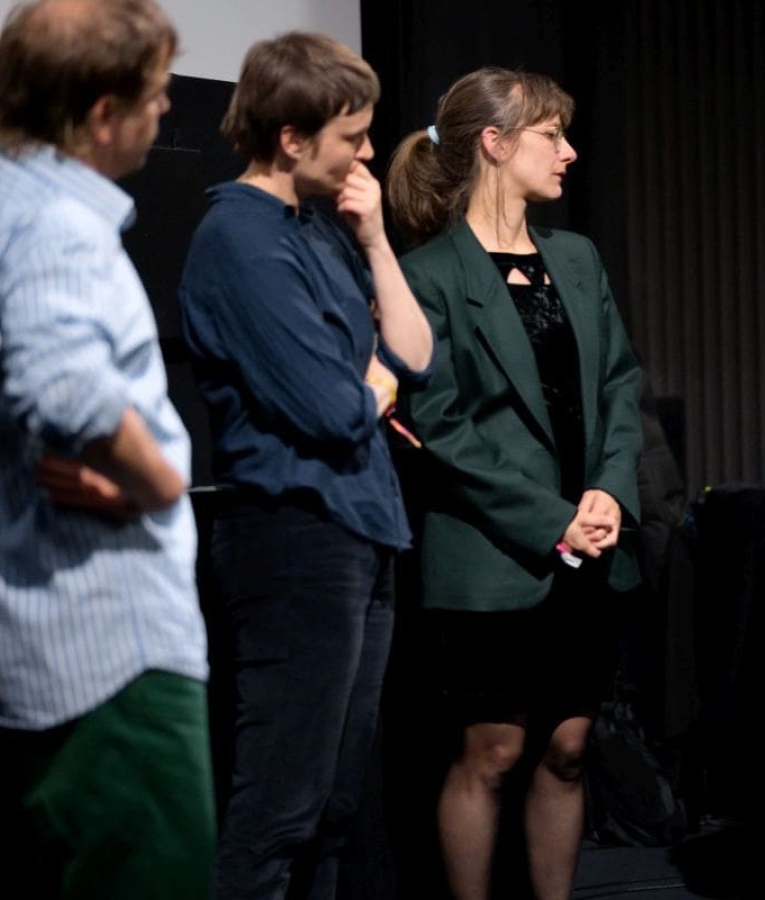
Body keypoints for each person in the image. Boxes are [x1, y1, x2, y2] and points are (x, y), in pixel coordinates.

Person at [0, 0, 214, 896]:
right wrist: (158, 482)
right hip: (111, 650)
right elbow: (64, 386)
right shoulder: (57, 229)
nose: (166, 110)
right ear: (103, 114)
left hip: (13, 633)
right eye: (154, 94)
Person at [177, 32, 433, 900]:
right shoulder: (239, 240)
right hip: (293, 537)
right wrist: (372, 386)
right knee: (279, 809)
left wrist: (375, 241)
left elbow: (415, 353)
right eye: (352, 136)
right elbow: (329, 410)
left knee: (332, 808)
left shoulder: (322, 231)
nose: (368, 153)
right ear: (291, 137)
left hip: (360, 526)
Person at [386, 67, 644, 900]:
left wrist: (608, 491)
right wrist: (553, 520)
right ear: (495, 145)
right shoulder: (428, 273)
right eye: (551, 135)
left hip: (590, 545)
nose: (570, 153)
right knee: (491, 754)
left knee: (568, 750)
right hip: (497, 553)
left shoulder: (576, 255)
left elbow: (618, 386)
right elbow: (442, 429)